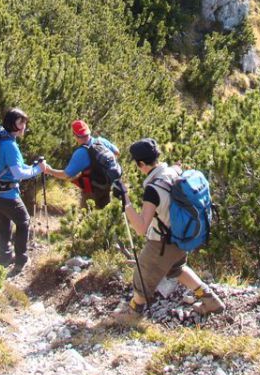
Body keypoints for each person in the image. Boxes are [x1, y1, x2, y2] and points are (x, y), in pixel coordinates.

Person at [112, 138, 224, 318]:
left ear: (141, 163)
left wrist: (126, 200)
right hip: (181, 236)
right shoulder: (174, 171)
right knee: (176, 269)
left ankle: (132, 313)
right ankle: (211, 301)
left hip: (162, 243)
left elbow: (141, 228)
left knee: (142, 277)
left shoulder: (153, 189)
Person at [0, 107, 44, 275]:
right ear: (13, 124)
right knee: (23, 221)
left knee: (4, 222)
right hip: (6, 194)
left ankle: (4, 258)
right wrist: (38, 170)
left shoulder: (2, 140)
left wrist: (33, 167)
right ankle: (21, 260)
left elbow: (15, 167)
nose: (24, 126)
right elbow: (18, 173)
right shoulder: (10, 145)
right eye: (21, 122)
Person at [44, 119, 120, 209]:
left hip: (93, 190)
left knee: (88, 217)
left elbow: (66, 175)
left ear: (75, 135)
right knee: (107, 215)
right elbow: (117, 152)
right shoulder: (101, 141)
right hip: (111, 185)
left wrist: (49, 170)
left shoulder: (81, 152)